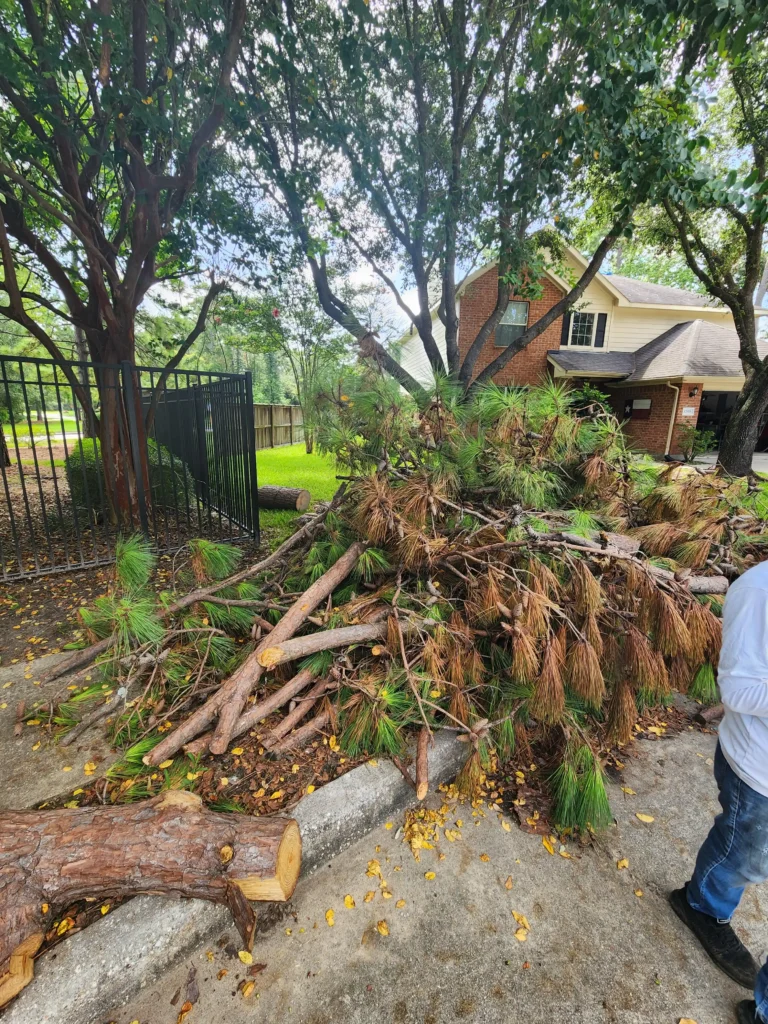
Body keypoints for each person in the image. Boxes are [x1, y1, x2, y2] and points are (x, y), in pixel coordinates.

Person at [670, 558, 768, 1024]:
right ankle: (702, 906)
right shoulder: (759, 589)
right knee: (744, 854)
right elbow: (739, 689)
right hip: (758, 772)